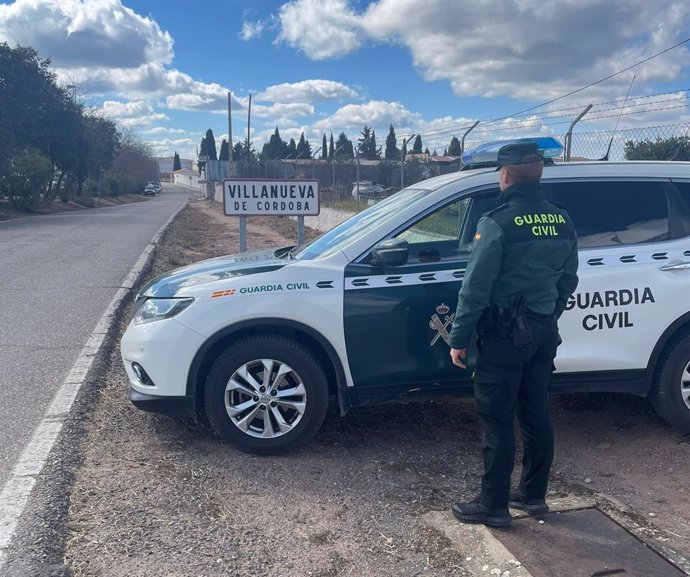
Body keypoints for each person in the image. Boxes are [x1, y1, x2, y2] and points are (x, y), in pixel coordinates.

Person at [448, 141, 579, 527]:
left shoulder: (497, 223)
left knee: (497, 417)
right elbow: (569, 279)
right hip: (542, 331)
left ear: (504, 175)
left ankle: (493, 505)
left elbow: (475, 288)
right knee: (536, 413)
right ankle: (534, 496)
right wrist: (546, 314)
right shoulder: (562, 219)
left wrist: (459, 338)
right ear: (538, 173)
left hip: (504, 335)